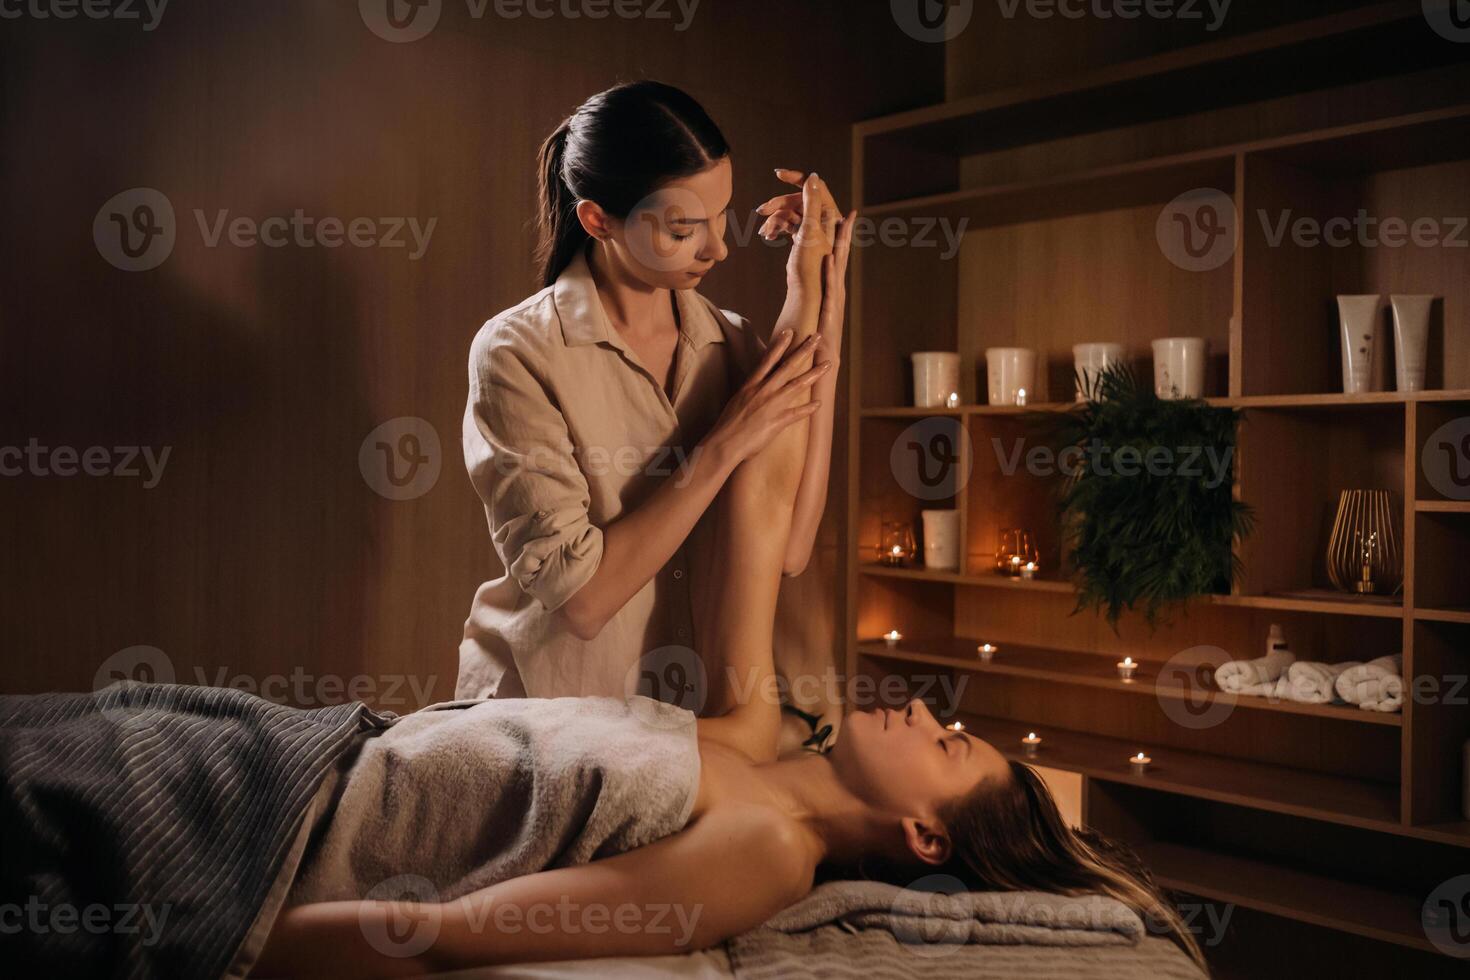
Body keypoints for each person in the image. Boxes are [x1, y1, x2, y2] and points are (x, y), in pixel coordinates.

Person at [255, 165, 1206, 979]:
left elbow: (440, 935)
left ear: (924, 837)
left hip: (313, 817)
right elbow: (753, 515)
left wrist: (223, 951)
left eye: (946, 742)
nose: (923, 708)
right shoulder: (765, 725)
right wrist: (814, 289)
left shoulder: (764, 851)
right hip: (363, 745)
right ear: (600, 218)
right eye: (686, 222)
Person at [457, 80, 850, 708]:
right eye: (684, 228)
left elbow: (793, 547)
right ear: (597, 219)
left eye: (721, 216)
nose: (718, 248)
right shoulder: (517, 352)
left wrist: (822, 292)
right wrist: (722, 445)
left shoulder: (733, 345)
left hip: (685, 724)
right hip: (547, 720)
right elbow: (582, 601)